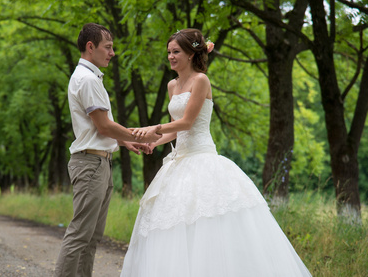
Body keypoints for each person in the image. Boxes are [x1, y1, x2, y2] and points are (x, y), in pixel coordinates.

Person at [120, 29, 312, 276]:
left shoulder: (201, 80)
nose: (170, 57)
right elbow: (176, 130)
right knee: (174, 223)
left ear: (191, 54)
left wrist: (152, 129)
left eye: (176, 51)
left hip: (202, 158)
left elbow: (188, 122)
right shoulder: (171, 85)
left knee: (207, 223)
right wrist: (154, 143)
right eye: (168, 52)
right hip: (178, 162)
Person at [54, 23, 161, 277]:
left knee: (91, 236)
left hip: (99, 163)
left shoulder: (91, 78)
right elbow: (103, 126)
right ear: (90, 47)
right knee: (81, 233)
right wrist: (140, 134)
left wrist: (125, 141)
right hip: (90, 165)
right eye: (108, 47)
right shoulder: (88, 79)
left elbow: (99, 128)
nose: (112, 53)